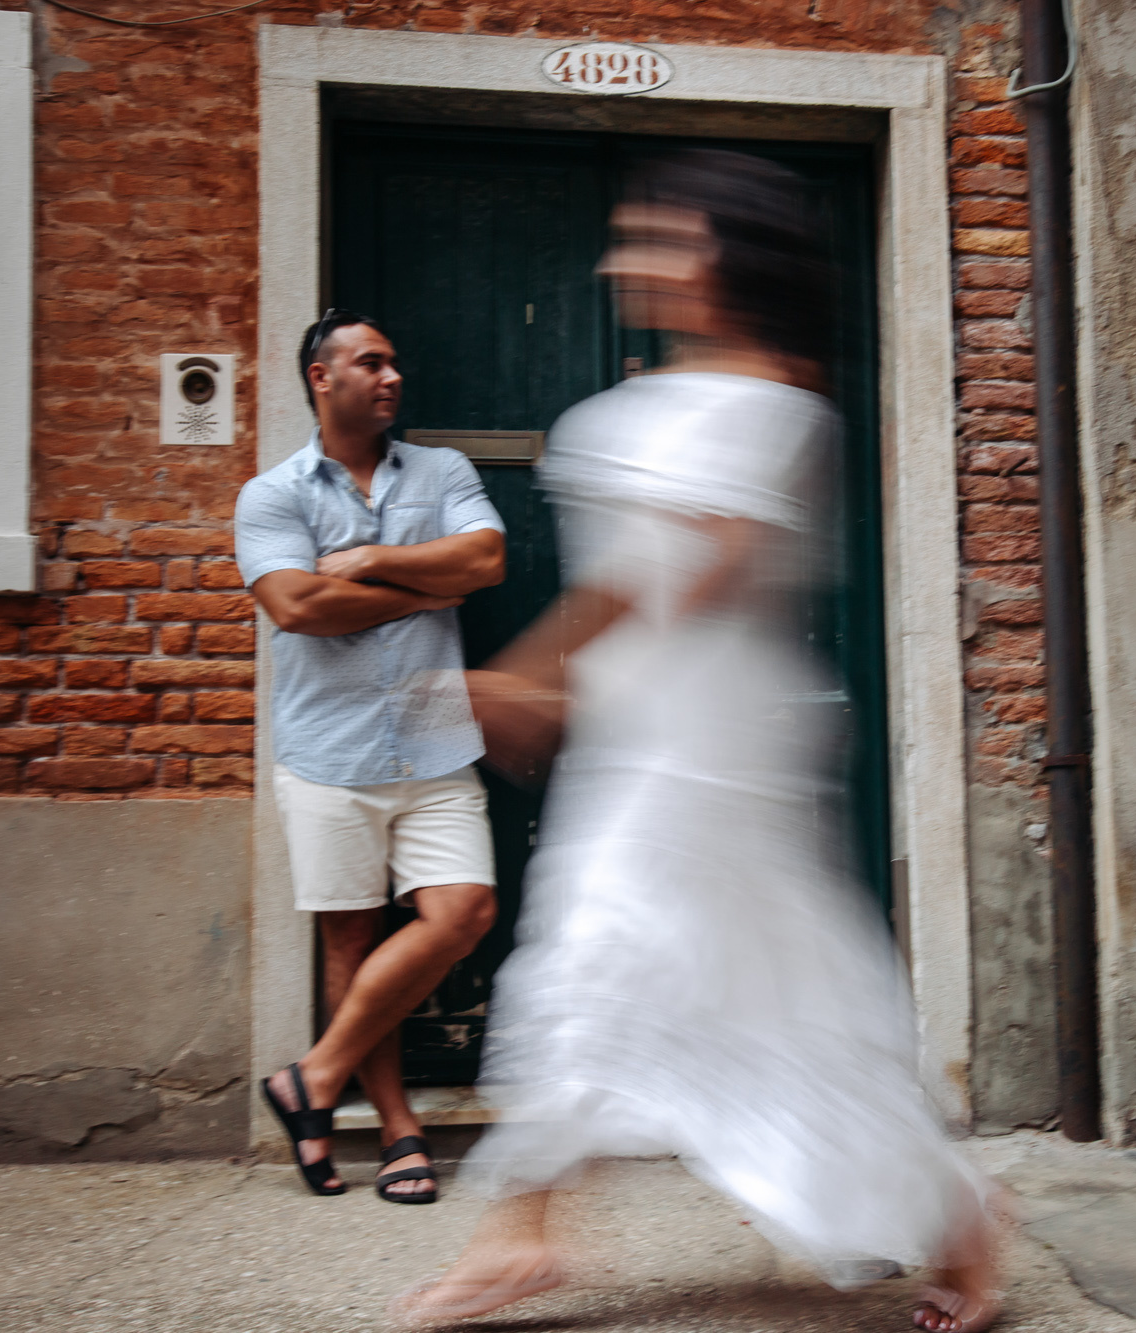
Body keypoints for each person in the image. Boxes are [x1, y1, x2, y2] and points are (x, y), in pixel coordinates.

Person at [389, 152, 1000, 1331]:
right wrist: (555, 687)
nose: (624, 261)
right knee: (662, 964)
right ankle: (528, 1231)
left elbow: (688, 568)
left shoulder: (773, 403)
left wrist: (528, 675)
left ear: (725, 257)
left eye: (656, 239)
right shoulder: (655, 401)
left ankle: (529, 1231)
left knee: (633, 952)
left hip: (718, 741)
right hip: (643, 731)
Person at [234, 311, 507, 1203]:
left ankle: (309, 1081)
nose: (392, 377)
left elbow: (488, 557)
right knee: (353, 937)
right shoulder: (272, 495)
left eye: (395, 362)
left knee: (462, 911)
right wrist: (421, 590)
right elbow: (297, 608)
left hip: (434, 739)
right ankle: (398, 1131)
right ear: (321, 376)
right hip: (327, 752)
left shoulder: (444, 471)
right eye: (371, 362)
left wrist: (372, 560)